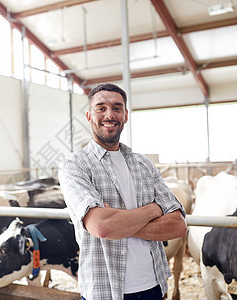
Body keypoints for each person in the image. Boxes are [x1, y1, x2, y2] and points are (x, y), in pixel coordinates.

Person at [58, 83, 187, 300]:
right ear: (89, 116)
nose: (110, 114)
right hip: (104, 291)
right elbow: (102, 227)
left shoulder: (143, 164)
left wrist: (119, 222)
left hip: (153, 287)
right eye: (101, 108)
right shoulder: (75, 165)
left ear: (125, 115)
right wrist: (153, 209)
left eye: (117, 108)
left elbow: (178, 225)